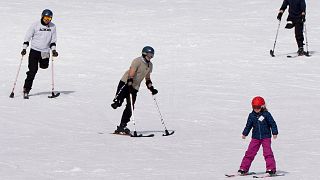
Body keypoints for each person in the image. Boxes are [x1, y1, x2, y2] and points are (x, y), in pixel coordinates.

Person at [111, 46, 158, 134]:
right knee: (118, 102)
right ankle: (117, 101)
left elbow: (147, 78)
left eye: (152, 55)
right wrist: (130, 81)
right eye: (149, 55)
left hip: (135, 87)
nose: (151, 57)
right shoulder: (137, 61)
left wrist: (151, 88)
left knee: (130, 107)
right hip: (126, 83)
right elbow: (131, 73)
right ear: (144, 54)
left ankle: (122, 126)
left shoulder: (150, 65)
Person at [21, 9, 58, 99]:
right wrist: (24, 48)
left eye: (49, 18)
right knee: (32, 71)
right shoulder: (35, 25)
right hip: (34, 51)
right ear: (42, 17)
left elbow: (53, 40)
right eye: (45, 18)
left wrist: (53, 50)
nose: (47, 20)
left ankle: (41, 63)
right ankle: (26, 89)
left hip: (45, 52)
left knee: (44, 66)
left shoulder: (53, 27)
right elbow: (28, 36)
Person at [238, 96, 278, 175]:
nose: (256, 109)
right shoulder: (251, 115)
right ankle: (244, 168)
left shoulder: (266, 114)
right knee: (249, 152)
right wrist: (245, 133)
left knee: (267, 153)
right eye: (254, 107)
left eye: (258, 107)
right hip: (255, 138)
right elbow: (248, 125)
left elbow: (272, 123)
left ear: (262, 106)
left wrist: (274, 132)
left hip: (266, 137)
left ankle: (271, 169)